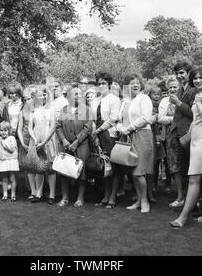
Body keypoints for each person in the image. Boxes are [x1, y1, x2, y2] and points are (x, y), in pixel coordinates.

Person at [170, 67, 202, 228]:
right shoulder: (201, 94)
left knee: (194, 179)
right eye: (196, 78)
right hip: (198, 140)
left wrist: (198, 103)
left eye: (201, 78)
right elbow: (197, 119)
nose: (198, 80)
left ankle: (182, 218)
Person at [110, 74, 153, 213]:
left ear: (141, 85)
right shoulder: (125, 101)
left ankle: (145, 201)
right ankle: (139, 200)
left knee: (138, 172)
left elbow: (145, 118)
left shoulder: (144, 98)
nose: (135, 85)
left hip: (142, 136)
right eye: (131, 83)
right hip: (127, 137)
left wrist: (128, 128)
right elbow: (118, 118)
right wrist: (120, 127)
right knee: (132, 170)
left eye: (137, 83)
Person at [56, 87, 92, 207]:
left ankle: (80, 198)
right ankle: (65, 198)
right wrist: (63, 140)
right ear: (69, 96)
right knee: (64, 170)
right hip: (65, 144)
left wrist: (77, 142)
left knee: (81, 171)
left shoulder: (86, 110)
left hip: (81, 145)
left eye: (80, 94)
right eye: (76, 94)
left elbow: (87, 128)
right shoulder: (64, 110)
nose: (79, 96)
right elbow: (58, 126)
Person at [167, 60, 196, 208]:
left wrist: (178, 103)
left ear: (188, 73)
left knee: (191, 167)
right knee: (176, 166)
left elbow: (194, 113)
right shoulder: (178, 90)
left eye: (181, 73)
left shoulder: (194, 89)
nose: (178, 76)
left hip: (188, 134)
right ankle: (180, 197)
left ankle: (193, 200)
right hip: (175, 133)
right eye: (177, 73)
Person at [90, 72, 121, 207]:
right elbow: (91, 119)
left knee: (112, 166)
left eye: (104, 83)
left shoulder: (114, 99)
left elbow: (113, 119)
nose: (101, 85)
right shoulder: (95, 101)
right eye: (99, 83)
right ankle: (106, 194)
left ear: (109, 84)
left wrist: (98, 130)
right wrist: (94, 134)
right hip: (97, 135)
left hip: (109, 135)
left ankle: (113, 196)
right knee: (103, 165)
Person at [28, 86, 57, 204]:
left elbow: (53, 126)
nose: (43, 97)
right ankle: (39, 193)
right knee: (39, 167)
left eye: (44, 94)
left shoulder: (51, 109)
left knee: (50, 168)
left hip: (48, 140)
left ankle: (51, 195)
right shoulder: (33, 110)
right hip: (36, 140)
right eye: (40, 95)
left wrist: (44, 141)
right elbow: (30, 127)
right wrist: (35, 139)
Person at [158, 76, 180, 192]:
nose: (172, 89)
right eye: (170, 87)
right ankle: (168, 184)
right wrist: (174, 119)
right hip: (167, 135)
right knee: (169, 161)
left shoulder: (182, 99)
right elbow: (160, 118)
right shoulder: (164, 101)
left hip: (181, 134)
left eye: (175, 87)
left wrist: (170, 119)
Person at [17, 87, 35, 198]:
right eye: (25, 99)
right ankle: (31, 190)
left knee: (38, 164)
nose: (27, 101)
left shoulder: (39, 110)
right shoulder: (22, 112)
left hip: (36, 139)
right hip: (25, 139)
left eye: (29, 98)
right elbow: (19, 129)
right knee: (28, 166)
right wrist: (23, 143)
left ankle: (39, 190)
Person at [0, 121, 19, 201]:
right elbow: (0, 152)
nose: (3, 132)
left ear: (9, 131)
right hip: (3, 161)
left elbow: (11, 149)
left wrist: (3, 142)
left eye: (5, 130)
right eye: (1, 130)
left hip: (11, 160)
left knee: (12, 178)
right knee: (4, 179)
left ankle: (13, 194)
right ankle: (5, 194)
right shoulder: (0, 140)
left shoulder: (11, 138)